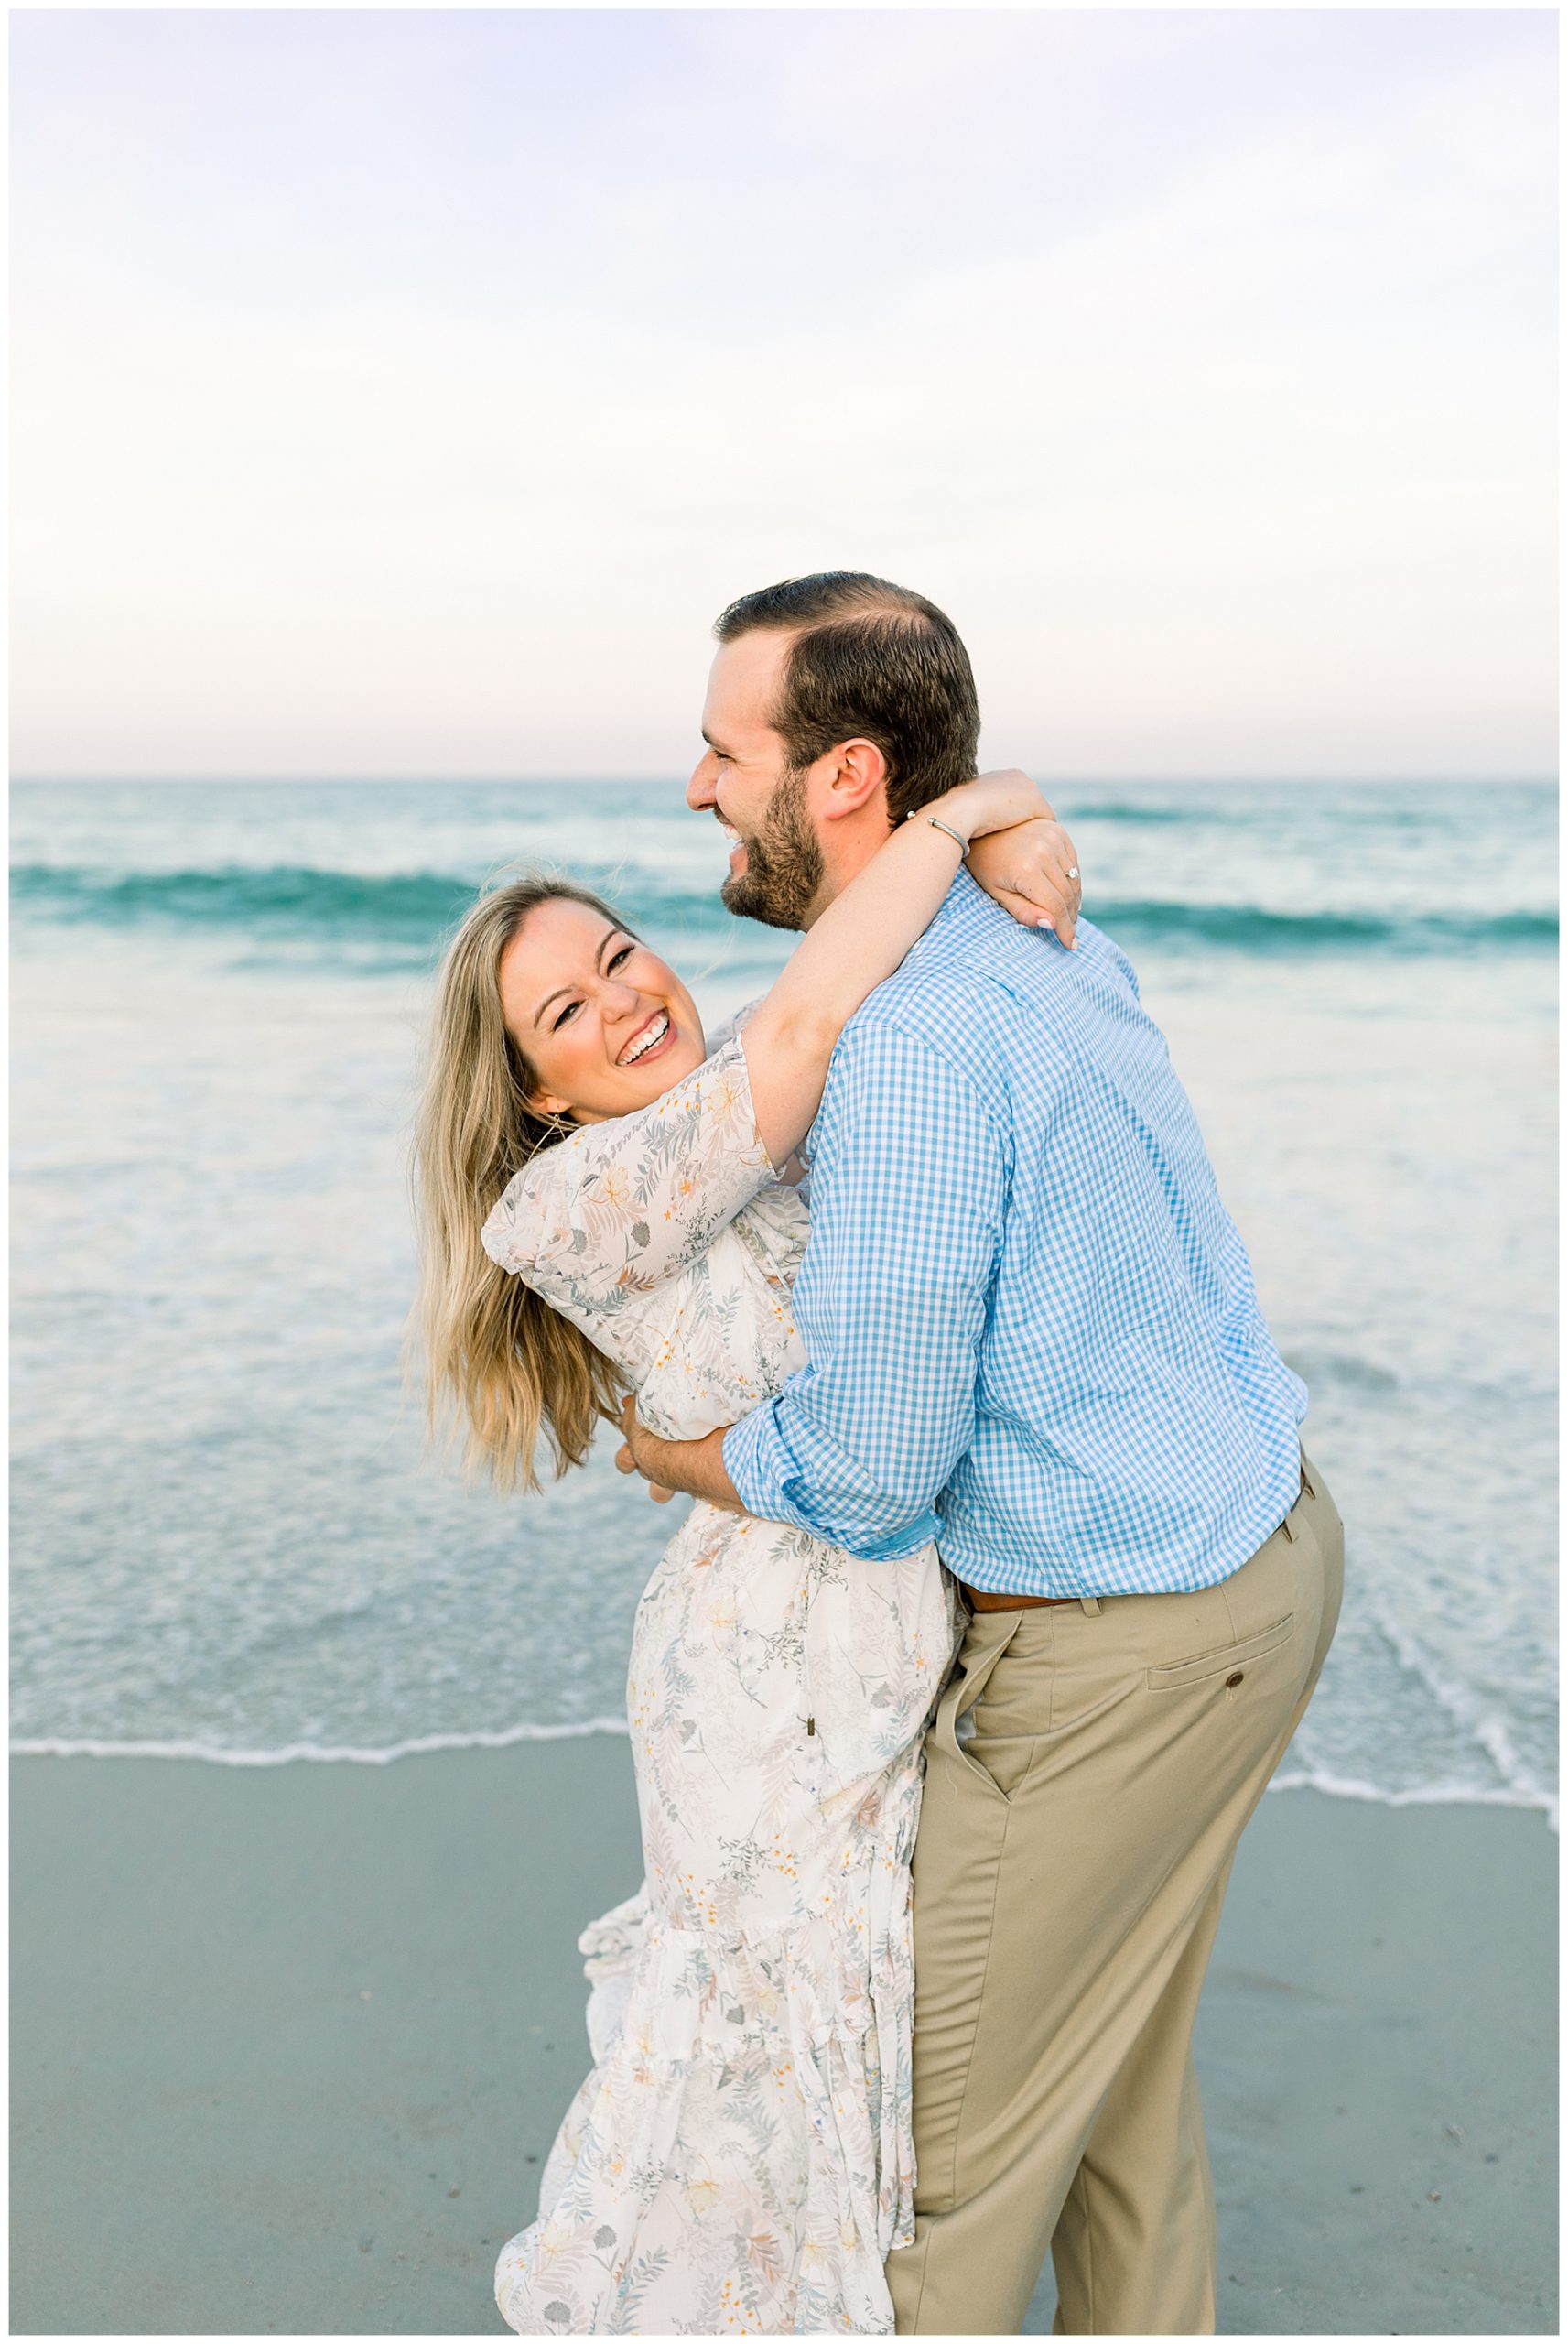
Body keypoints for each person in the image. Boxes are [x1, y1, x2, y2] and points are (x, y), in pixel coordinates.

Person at [618, 570, 1346, 2336]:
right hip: (1261, 1554)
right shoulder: (1039, 934)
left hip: (1121, 1649)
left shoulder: (915, 1048)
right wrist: (992, 807)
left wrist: (686, 1455)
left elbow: (870, 1460)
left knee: (932, 2179)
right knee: (1113, 2111)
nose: (695, 787)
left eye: (725, 752)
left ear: (843, 776)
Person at [410, 764, 1085, 2333]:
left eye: (619, 956)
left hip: (871, 1614)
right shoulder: (565, 1206)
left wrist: (1026, 840)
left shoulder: (750, 1122)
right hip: (762, 1675)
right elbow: (808, 1017)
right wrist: (957, 814)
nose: (623, 1002)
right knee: (757, 2052)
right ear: (537, 1097)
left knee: (848, 2040)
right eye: (565, 1014)